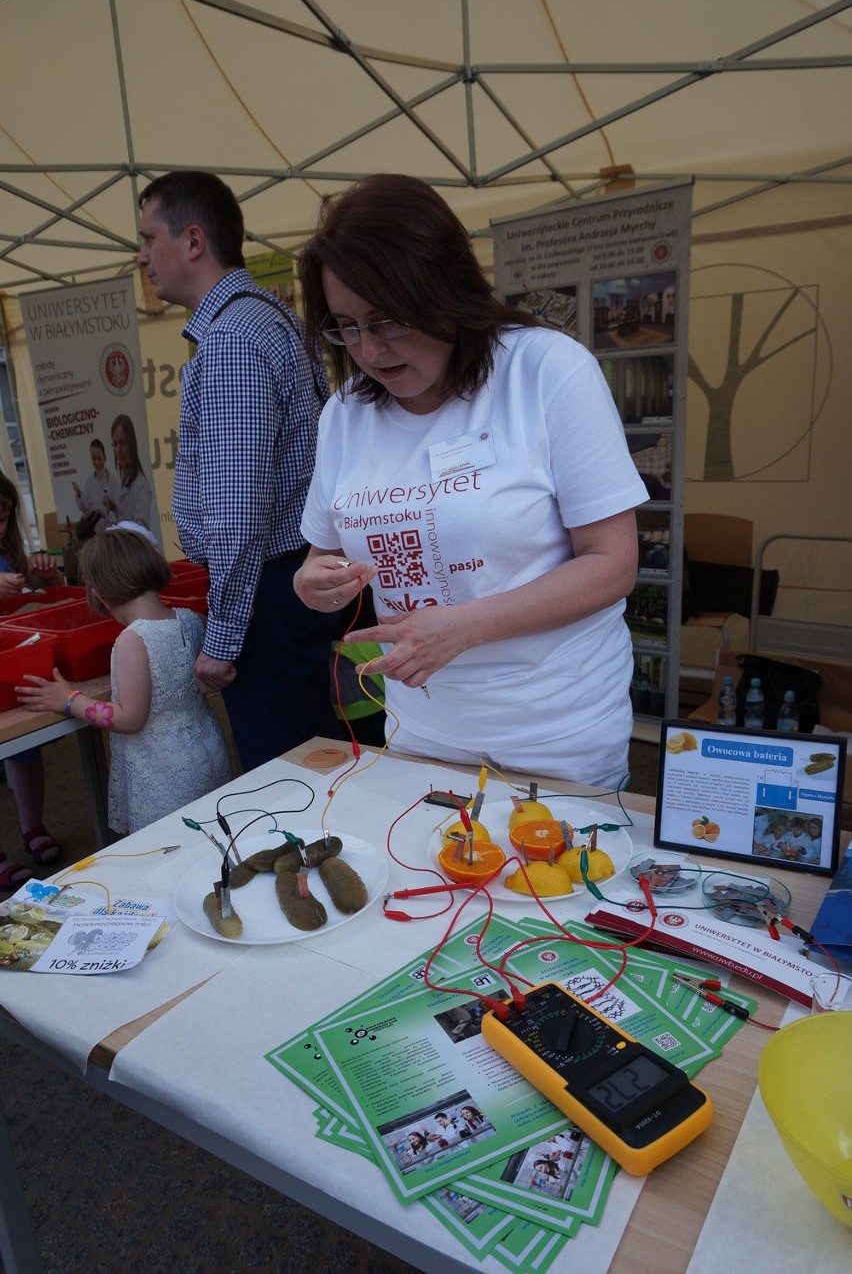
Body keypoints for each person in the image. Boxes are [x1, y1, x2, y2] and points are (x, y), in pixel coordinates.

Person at [293, 174, 647, 786]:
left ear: (445, 290)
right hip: (421, 731)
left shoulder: (546, 371)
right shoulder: (345, 414)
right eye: (346, 326)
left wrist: (465, 626)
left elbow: (612, 563)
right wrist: (313, 580)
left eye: (387, 320)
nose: (369, 350)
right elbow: (321, 550)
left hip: (555, 733)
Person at [137, 171, 338, 772]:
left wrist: (222, 643)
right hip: (291, 582)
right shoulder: (268, 316)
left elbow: (239, 512)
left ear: (193, 241)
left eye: (149, 238)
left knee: (288, 781)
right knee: (324, 762)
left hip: (273, 594)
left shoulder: (230, 341)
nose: (143, 256)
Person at [17, 527, 232, 835]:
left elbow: (130, 718)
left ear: (100, 593)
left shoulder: (133, 640)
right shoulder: (189, 619)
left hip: (165, 774)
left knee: (168, 848)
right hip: (206, 752)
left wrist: (68, 699)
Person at [1, 471, 65, 880]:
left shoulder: (8, 555)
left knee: (25, 750)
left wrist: (48, 579)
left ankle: (32, 826)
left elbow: (34, 606)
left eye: (4, 516)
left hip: (9, 667)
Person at [103, 415, 154, 533]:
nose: (118, 450)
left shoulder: (141, 487)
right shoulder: (126, 479)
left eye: (122, 443)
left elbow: (141, 531)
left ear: (132, 443)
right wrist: (113, 507)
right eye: (115, 444)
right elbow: (126, 516)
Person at [71, 437, 115, 532]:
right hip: (96, 534)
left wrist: (105, 516)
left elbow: (120, 513)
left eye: (99, 458)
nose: (97, 462)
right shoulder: (88, 484)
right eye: (93, 458)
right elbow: (86, 510)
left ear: (105, 457)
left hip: (112, 533)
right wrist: (79, 493)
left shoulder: (114, 482)